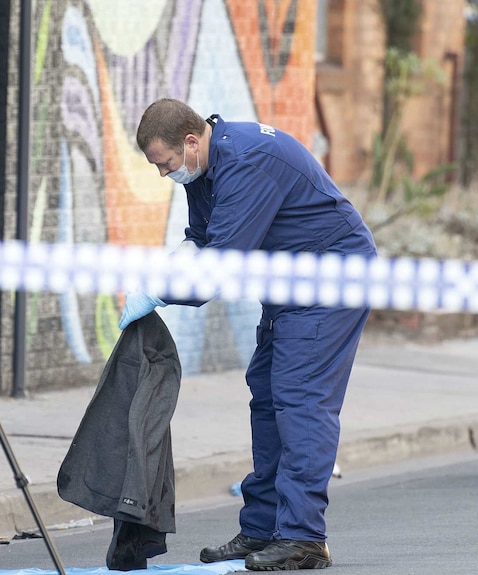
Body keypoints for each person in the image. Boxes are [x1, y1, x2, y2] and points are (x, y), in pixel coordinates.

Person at [119, 98, 377, 571]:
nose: (164, 175)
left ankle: (303, 538)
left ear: (191, 142)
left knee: (300, 402)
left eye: (166, 164)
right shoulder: (205, 167)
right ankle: (262, 530)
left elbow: (220, 269)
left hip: (333, 281)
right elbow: (202, 240)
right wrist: (162, 271)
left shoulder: (247, 162)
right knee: (266, 397)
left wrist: (157, 292)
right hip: (289, 286)